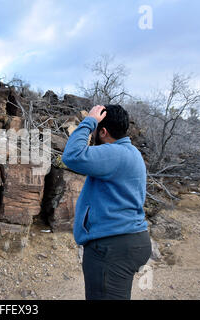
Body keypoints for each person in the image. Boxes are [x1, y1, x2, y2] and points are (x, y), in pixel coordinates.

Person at [62, 104, 152, 300]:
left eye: (95, 131)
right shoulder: (132, 153)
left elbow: (72, 156)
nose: (92, 136)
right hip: (130, 240)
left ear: (103, 132)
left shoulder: (114, 153)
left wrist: (89, 121)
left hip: (111, 247)